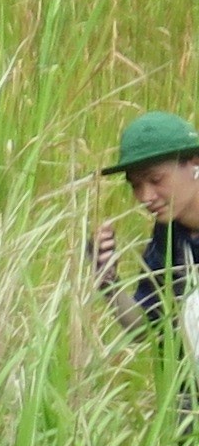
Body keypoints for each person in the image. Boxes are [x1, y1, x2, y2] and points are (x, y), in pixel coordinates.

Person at [90, 111, 199, 351]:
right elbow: (146, 329)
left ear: (194, 162)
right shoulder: (168, 236)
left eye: (156, 179)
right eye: (136, 185)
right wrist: (107, 281)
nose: (145, 197)